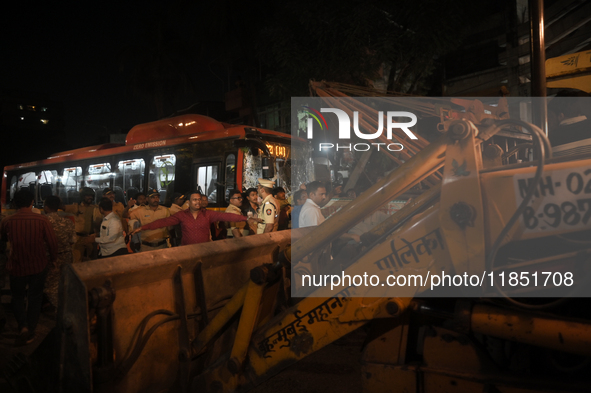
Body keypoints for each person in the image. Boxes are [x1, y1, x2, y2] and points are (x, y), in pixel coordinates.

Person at [1, 189, 58, 345]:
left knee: (17, 298)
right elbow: (52, 243)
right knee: (35, 298)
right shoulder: (42, 220)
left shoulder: (7, 221)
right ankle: (31, 330)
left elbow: (3, 241)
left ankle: (23, 327)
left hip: (16, 267)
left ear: (15, 203)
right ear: (32, 202)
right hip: (38, 266)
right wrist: (53, 259)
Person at [130, 192, 260, 245]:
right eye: (194, 200)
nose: (197, 202)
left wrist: (246, 219)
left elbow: (226, 216)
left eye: (199, 199)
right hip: (188, 251)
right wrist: (142, 228)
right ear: (189, 202)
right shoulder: (181, 215)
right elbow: (163, 222)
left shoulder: (208, 214)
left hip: (204, 249)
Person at [42, 195, 75, 309]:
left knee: (50, 287)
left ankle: (61, 311)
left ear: (46, 207)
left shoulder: (43, 221)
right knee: (65, 284)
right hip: (66, 256)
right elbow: (72, 241)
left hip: (50, 258)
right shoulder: (67, 221)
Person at [64, 187, 102, 262]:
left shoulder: (95, 208)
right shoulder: (76, 207)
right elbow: (62, 207)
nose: (90, 197)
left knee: (92, 261)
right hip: (79, 238)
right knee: (77, 260)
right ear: (82, 196)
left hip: (91, 237)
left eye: (91, 196)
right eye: (87, 195)